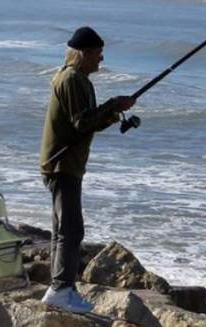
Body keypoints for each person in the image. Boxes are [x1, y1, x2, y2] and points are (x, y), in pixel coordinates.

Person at [39, 26, 135, 312]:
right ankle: (61, 290)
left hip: (64, 164)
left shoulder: (78, 79)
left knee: (63, 230)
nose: (101, 59)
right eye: (97, 53)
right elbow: (82, 122)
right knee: (71, 230)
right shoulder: (71, 79)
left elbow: (84, 124)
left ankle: (59, 288)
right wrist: (112, 104)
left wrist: (112, 112)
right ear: (83, 54)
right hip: (61, 164)